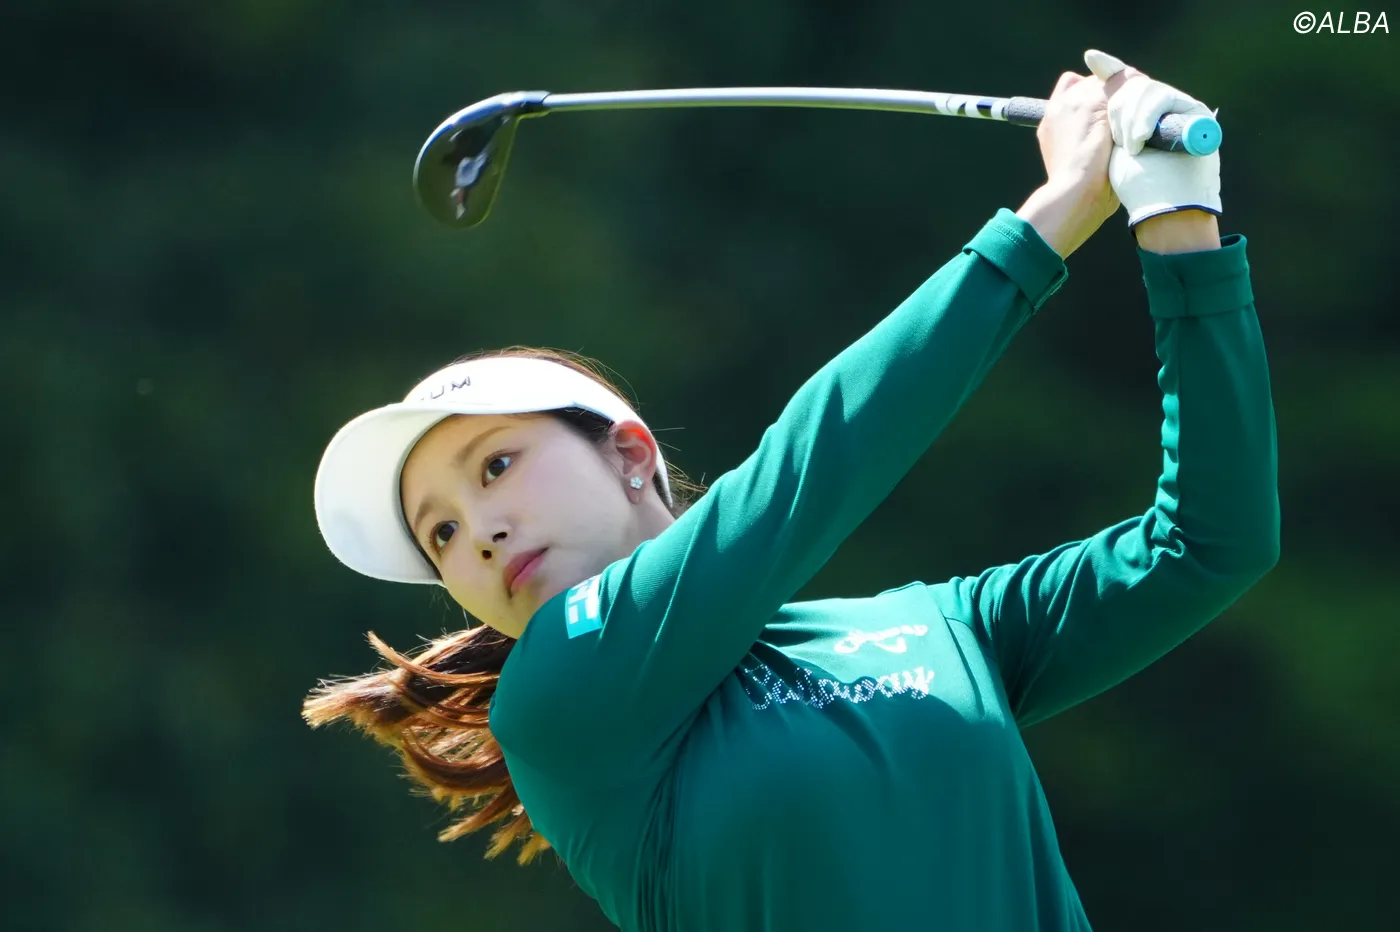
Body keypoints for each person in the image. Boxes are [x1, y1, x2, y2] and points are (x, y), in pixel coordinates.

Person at [305, 49, 1279, 932]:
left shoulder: (937, 627)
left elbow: (1207, 544)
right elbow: (810, 471)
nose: (478, 530)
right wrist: (1056, 212)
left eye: (495, 465)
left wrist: (1176, 220)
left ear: (630, 454)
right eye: (439, 533)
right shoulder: (559, 699)